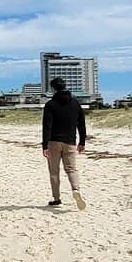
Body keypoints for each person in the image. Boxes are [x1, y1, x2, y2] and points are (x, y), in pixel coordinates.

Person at [41, 77, 87, 209]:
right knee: (71, 169)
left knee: (54, 172)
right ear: (65, 86)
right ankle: (75, 190)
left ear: (53, 88)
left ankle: (57, 199)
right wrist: (82, 141)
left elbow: (47, 126)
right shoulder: (75, 103)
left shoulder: (50, 104)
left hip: (54, 142)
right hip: (70, 142)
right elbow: (81, 124)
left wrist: (44, 145)